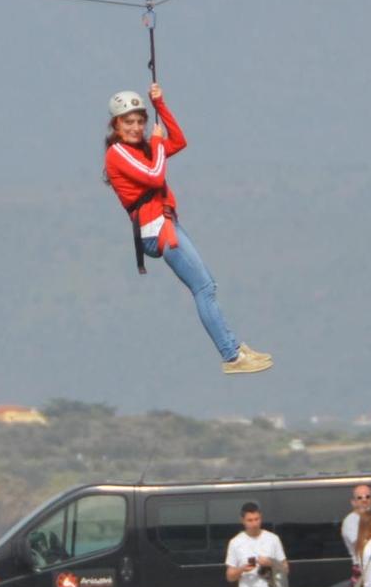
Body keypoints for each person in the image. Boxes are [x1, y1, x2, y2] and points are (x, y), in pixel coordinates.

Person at [102, 84, 272, 375]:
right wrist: (156, 142)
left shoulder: (144, 149)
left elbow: (179, 141)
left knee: (208, 286)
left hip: (167, 223)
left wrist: (161, 105)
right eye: (128, 122)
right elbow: (155, 177)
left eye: (140, 121)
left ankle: (232, 347)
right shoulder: (118, 153)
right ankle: (231, 356)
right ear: (116, 125)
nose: (136, 127)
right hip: (156, 230)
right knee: (204, 288)